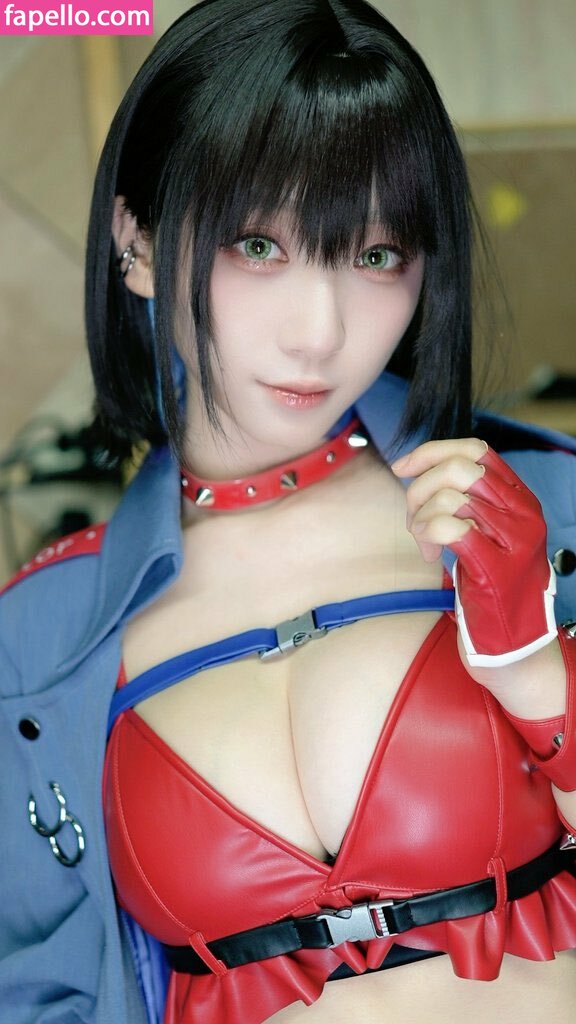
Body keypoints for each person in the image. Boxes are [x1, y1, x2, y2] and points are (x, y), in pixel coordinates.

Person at [1, 0, 576, 1021]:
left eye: (376, 256)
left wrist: (535, 670)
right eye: (259, 245)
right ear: (138, 245)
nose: (318, 333)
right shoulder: (40, 638)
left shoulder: (545, 511)